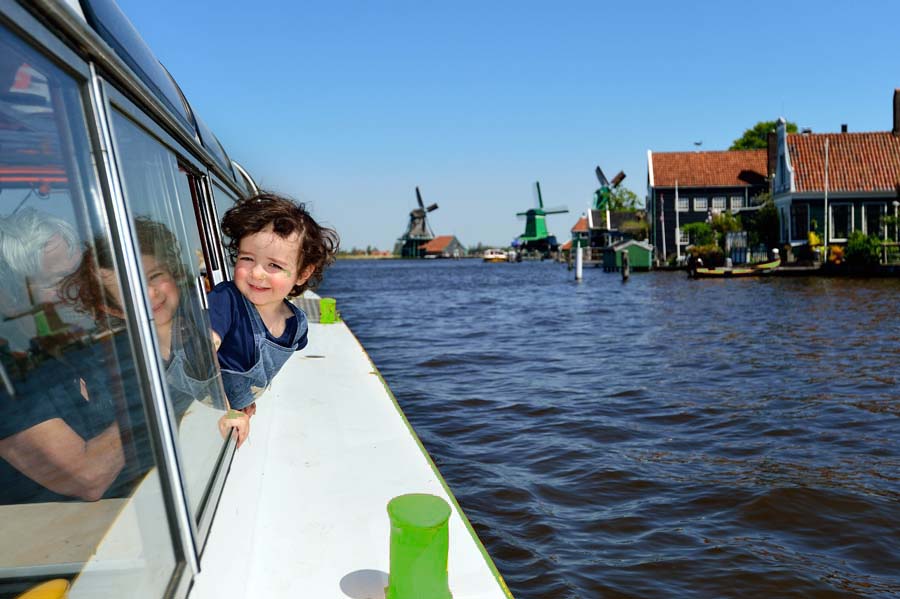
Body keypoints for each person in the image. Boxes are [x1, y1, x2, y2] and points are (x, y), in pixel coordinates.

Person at [208, 192, 338, 415]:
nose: (257, 273)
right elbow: (206, 348)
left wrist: (244, 398)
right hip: (209, 408)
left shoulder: (297, 325)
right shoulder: (226, 299)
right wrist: (229, 409)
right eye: (247, 258)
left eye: (274, 266)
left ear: (303, 273)